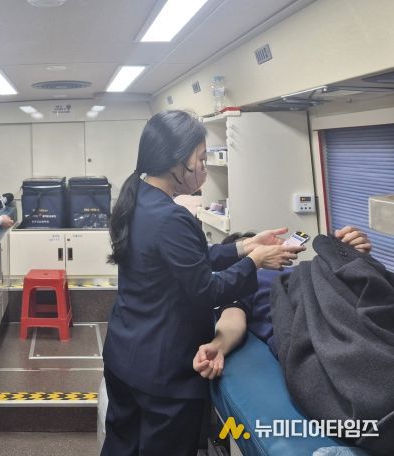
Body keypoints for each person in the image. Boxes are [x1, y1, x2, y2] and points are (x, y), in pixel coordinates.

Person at [101, 110, 305, 456]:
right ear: (176, 161)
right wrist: (256, 262)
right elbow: (207, 291)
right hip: (162, 372)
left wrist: (246, 246)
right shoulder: (171, 217)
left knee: (122, 446)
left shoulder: (138, 198)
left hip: (125, 353)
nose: (203, 168)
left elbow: (189, 258)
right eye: (201, 158)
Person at [192, 225, 372, 379]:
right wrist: (218, 346)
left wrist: (349, 254)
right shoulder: (238, 291)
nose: (262, 254)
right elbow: (232, 320)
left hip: (345, 308)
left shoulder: (298, 271)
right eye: (251, 254)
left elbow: (335, 283)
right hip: (313, 327)